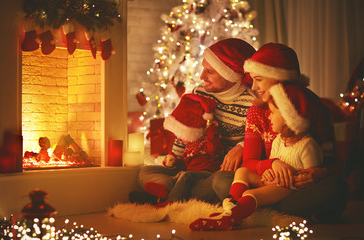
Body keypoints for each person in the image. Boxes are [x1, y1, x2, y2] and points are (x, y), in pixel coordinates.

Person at [211, 43, 349, 223]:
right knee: (221, 180)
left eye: (259, 79)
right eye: (252, 79)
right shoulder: (257, 111)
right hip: (266, 182)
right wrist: (272, 164)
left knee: (336, 188)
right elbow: (249, 162)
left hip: (297, 187)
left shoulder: (313, 108)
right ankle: (265, 207)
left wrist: (320, 173)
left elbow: (335, 165)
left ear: (281, 78)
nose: (253, 87)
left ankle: (255, 207)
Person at [130, 38, 257, 204]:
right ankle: (179, 190)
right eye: (204, 69)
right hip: (194, 165)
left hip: (220, 172)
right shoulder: (199, 93)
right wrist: (173, 159)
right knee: (144, 173)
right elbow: (186, 131)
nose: (202, 76)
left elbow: (263, 140)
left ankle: (167, 197)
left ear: (230, 74)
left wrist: (242, 146)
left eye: (210, 72)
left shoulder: (252, 102)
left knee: (222, 184)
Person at [189, 83, 326, 231]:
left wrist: (287, 178)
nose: (269, 116)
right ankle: (231, 206)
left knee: (249, 193)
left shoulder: (307, 146)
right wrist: (268, 172)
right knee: (242, 172)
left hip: (288, 187)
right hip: (272, 182)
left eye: (273, 112)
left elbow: (311, 179)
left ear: (288, 117)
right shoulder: (279, 140)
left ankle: (232, 218)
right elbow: (269, 161)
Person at [143, 93, 224, 204]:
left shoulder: (206, 141)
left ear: (193, 132)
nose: (179, 139)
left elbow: (214, 149)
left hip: (207, 174)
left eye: (182, 135)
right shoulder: (190, 146)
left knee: (185, 175)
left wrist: (211, 129)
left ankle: (170, 202)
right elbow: (187, 164)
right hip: (192, 175)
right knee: (179, 175)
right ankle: (158, 195)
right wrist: (175, 161)